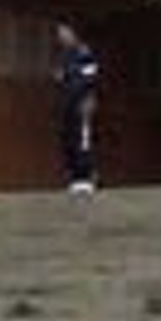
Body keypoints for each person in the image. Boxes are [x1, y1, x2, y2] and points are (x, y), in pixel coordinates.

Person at [53, 21, 100, 195]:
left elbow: (90, 77)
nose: (61, 36)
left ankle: (85, 178)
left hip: (82, 102)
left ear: (73, 33)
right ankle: (74, 177)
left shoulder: (84, 53)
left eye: (64, 32)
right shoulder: (62, 55)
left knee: (82, 140)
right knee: (68, 139)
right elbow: (59, 77)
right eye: (59, 33)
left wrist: (88, 97)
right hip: (67, 103)